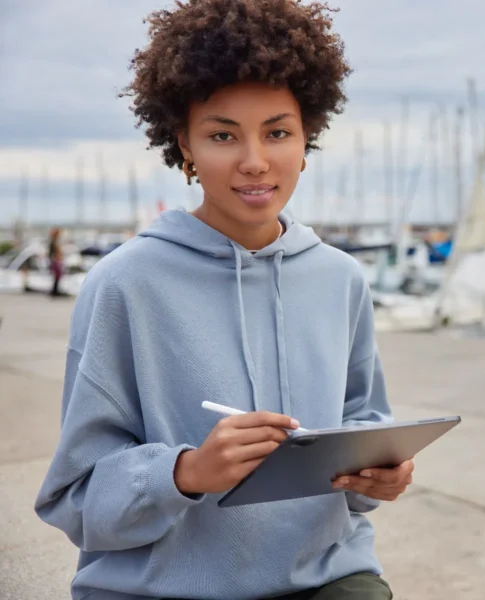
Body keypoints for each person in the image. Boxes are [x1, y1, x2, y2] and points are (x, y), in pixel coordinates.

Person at [34, 2, 412, 599]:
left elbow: (366, 424)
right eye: (221, 135)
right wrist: (184, 474)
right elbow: (73, 499)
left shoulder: (341, 278)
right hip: (157, 587)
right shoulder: (124, 284)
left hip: (323, 578)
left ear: (307, 138)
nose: (255, 161)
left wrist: (379, 474)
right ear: (182, 143)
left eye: (278, 132)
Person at [48, 227, 64, 297]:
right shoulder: (54, 242)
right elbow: (55, 252)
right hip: (55, 260)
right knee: (57, 275)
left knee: (57, 276)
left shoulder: (54, 241)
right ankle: (55, 291)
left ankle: (55, 290)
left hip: (55, 259)